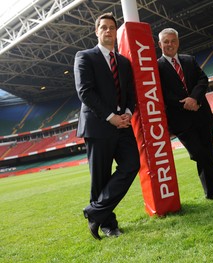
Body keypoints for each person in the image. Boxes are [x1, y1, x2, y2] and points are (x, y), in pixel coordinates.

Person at [74, 12, 140, 240]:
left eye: (112, 27)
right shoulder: (84, 57)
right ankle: (108, 224)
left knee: (132, 164)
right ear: (96, 31)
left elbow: (130, 92)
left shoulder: (123, 62)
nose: (108, 31)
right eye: (103, 27)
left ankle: (94, 212)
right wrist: (110, 116)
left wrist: (128, 113)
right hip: (98, 125)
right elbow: (85, 92)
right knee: (100, 178)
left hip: (123, 125)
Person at [157, 28, 213, 201]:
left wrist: (194, 98)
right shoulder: (156, 67)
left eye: (173, 41)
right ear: (159, 44)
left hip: (201, 113)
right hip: (180, 119)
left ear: (178, 42)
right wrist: (185, 102)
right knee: (198, 153)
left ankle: (211, 191)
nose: (170, 44)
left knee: (207, 153)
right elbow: (162, 93)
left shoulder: (189, 60)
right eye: (166, 41)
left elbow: (203, 80)